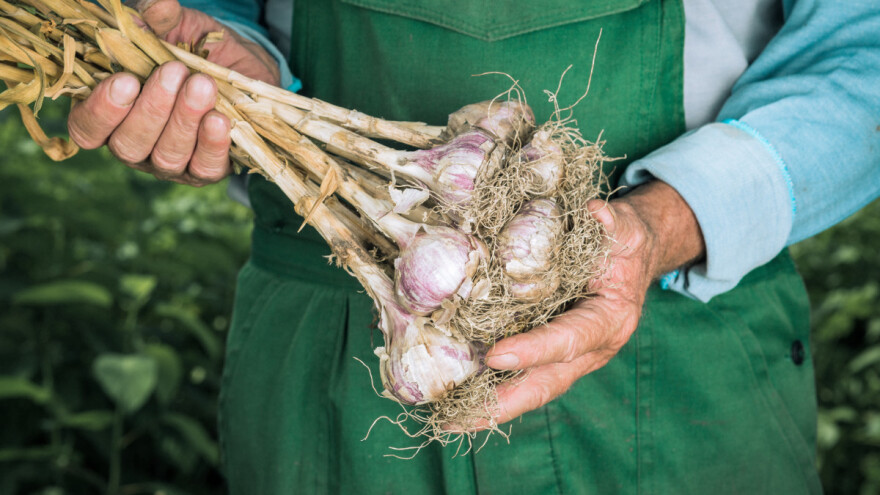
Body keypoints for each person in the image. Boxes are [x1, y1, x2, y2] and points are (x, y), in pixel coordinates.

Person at [66, 0, 880, 492]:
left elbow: (865, 49)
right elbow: (222, 8)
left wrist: (659, 223)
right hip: (334, 360)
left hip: (683, 360)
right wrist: (229, 71)